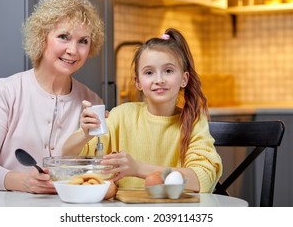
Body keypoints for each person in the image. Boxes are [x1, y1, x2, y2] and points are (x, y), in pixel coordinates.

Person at [0, 0, 105, 194]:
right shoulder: (7, 91)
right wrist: (22, 181)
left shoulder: (92, 102)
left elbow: (95, 171)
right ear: (42, 37)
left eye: (83, 41)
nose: (73, 50)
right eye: (63, 37)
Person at [62, 28, 222, 193]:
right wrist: (85, 134)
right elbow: (67, 157)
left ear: (184, 79)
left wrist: (138, 168)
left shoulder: (194, 121)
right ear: (137, 82)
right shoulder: (121, 116)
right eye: (149, 72)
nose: (159, 80)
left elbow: (203, 179)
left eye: (168, 71)